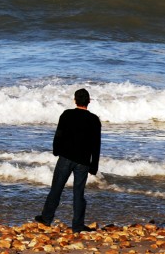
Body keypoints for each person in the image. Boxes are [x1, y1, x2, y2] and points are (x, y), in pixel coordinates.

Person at [35, 88, 101, 232]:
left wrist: (56, 150)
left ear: (75, 100)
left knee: (56, 189)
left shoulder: (67, 114)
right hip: (83, 161)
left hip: (66, 157)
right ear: (89, 102)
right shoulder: (94, 119)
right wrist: (94, 165)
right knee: (79, 193)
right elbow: (96, 144)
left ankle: (46, 218)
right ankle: (77, 225)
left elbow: (59, 134)